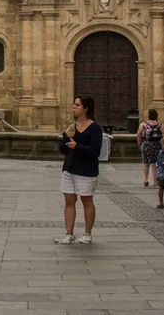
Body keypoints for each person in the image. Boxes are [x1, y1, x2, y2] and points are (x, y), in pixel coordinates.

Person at [57, 96, 103, 245]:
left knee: (87, 201)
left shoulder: (95, 128)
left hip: (86, 170)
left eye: (77, 105)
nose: (73, 107)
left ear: (86, 108)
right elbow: (64, 149)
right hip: (69, 168)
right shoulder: (72, 127)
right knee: (69, 201)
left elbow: (95, 151)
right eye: (74, 105)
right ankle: (69, 234)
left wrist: (77, 146)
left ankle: (87, 233)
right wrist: (63, 143)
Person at [136, 109, 164, 187]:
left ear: (148, 115)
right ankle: (156, 181)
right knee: (155, 164)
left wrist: (139, 144)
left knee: (145, 162)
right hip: (157, 145)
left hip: (146, 145)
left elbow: (139, 135)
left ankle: (146, 179)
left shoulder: (143, 125)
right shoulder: (160, 125)